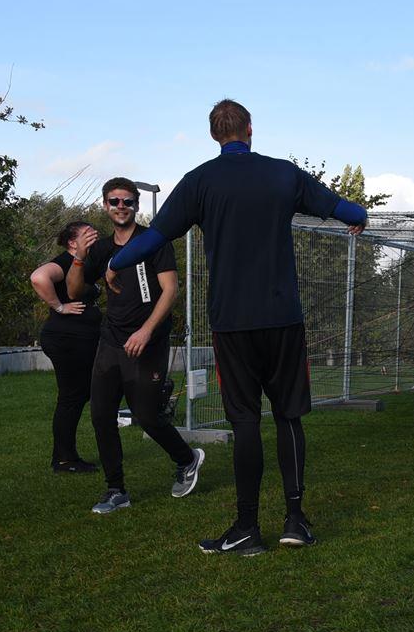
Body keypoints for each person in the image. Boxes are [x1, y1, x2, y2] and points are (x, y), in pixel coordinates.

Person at [103, 100, 370, 555]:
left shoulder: (199, 181)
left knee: (245, 421)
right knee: (288, 416)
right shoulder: (283, 174)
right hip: (283, 319)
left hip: (232, 323)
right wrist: (360, 216)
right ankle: (295, 520)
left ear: (214, 135)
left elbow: (155, 237)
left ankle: (247, 528)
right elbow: (345, 209)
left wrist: (115, 262)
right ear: (250, 129)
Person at [66, 178, 205, 515]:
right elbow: (73, 292)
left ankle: (187, 459)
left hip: (148, 341)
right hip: (111, 340)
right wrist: (80, 258)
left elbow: (170, 290)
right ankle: (116, 490)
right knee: (101, 415)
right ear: (105, 205)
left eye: (127, 201)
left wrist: (145, 331)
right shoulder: (101, 250)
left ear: (136, 205)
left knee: (147, 415)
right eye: (114, 201)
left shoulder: (153, 241)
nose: (121, 207)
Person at [30, 221, 103, 473]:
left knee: (78, 394)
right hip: (66, 339)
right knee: (71, 396)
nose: (93, 236)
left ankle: (65, 456)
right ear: (72, 243)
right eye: (87, 234)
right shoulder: (64, 262)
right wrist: (59, 306)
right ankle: (63, 459)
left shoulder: (86, 264)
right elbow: (38, 277)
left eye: (94, 233)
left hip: (78, 339)